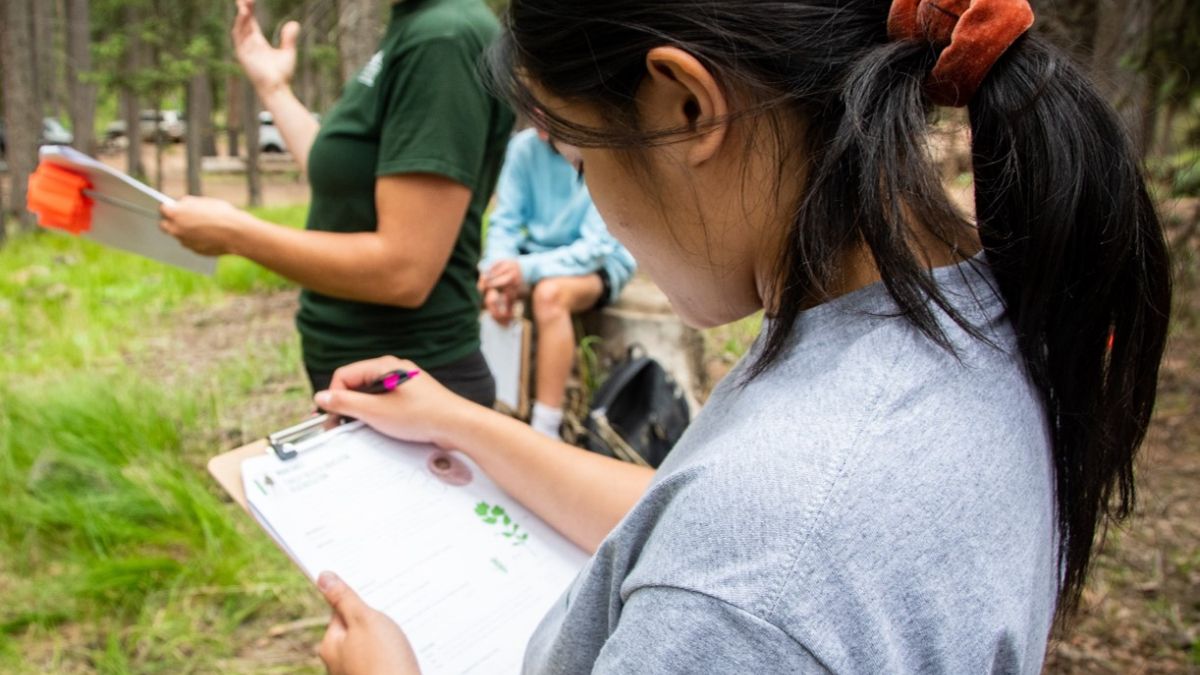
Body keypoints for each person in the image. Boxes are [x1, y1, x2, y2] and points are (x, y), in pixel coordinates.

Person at [309, 0, 1174, 671]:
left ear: (687, 107)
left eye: (583, 160)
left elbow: (746, 561)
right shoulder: (963, 316)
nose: (595, 195)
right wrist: (461, 421)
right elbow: (686, 524)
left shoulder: (766, 575)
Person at [159, 0, 513, 405]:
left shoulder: (442, 36)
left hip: (409, 379)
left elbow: (403, 270)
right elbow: (347, 174)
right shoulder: (416, 25)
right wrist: (273, 89)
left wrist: (236, 234)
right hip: (372, 374)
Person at [478, 126, 636, 437]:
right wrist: (496, 273)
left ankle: (546, 426)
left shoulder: (598, 144)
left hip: (600, 262)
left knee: (549, 296)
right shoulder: (524, 148)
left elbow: (596, 249)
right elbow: (504, 223)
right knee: (490, 289)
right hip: (537, 256)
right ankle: (499, 402)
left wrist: (524, 269)